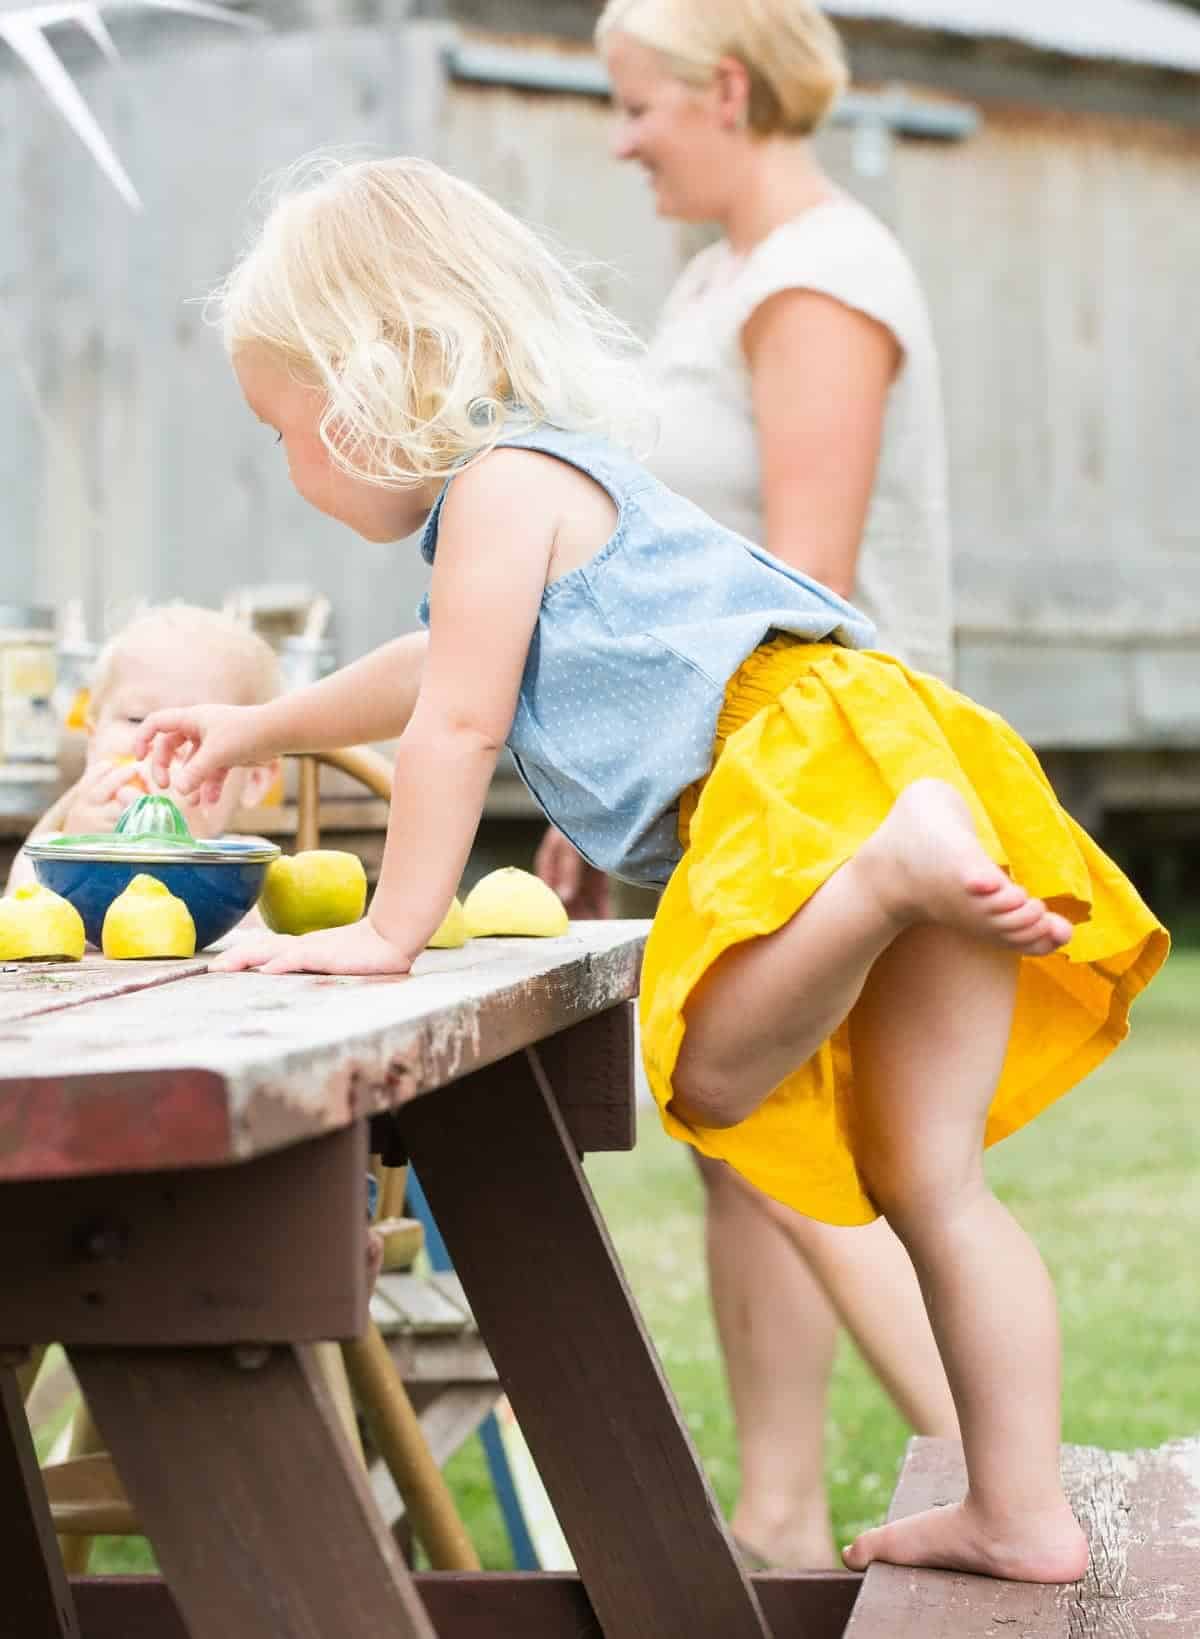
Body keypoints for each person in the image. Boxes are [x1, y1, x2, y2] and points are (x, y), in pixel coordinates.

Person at [134, 153, 1166, 1580]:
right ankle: (1021, 1506)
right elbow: (435, 664)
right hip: (900, 751)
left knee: (711, 1076)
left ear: (363, 379)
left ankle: (877, 882)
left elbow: (456, 720)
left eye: (279, 425)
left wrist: (389, 928)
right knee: (930, 1178)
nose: (285, 465)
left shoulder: (500, 485)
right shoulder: (542, 486)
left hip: (807, 778)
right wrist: (263, 718)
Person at [536, 0, 960, 1568]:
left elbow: (807, 573)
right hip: (742, 770)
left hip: (825, 777)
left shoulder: (821, 282)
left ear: (725, 88)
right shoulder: (720, 278)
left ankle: (1010, 1476)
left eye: (636, 102)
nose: (621, 134)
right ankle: (778, 1523)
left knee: (782, 1122)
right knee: (745, 1153)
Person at [6, 603, 282, 893]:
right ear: (93, 741)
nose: (159, 743)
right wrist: (76, 854)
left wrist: (190, 850)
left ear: (254, 779)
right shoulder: (46, 852)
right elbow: (21, 920)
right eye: (137, 718)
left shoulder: (251, 867)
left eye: (193, 734)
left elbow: (256, 933)